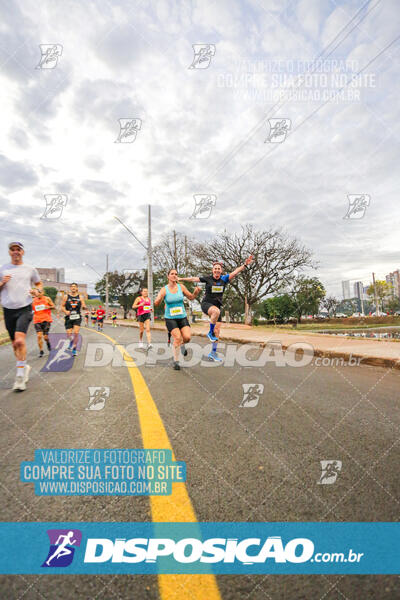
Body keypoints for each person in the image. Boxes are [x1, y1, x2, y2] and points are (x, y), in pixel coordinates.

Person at [179, 256, 253, 361]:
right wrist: (181, 279)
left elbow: (236, 272)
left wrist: (245, 265)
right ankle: (210, 332)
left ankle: (213, 353)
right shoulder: (208, 279)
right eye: (215, 269)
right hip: (206, 304)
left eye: (219, 269)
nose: (217, 270)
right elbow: (193, 279)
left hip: (217, 307)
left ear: (221, 271)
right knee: (215, 312)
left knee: (217, 331)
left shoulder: (224, 279)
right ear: (213, 270)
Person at [0, 242, 42, 391]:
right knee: (14, 345)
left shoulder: (30, 269)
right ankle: (24, 367)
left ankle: (19, 378)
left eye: (18, 249)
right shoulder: (3, 269)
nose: (16, 252)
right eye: (13, 249)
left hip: (25, 308)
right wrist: (2, 283)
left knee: (19, 340)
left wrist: (38, 292)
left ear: (23, 252)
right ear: (9, 252)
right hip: (8, 310)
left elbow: (39, 284)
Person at [154, 269, 201, 370]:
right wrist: (158, 300)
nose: (174, 275)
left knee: (187, 337)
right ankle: (176, 361)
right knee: (177, 338)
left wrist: (195, 293)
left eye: (176, 274)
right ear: (168, 276)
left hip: (182, 317)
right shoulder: (164, 289)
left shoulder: (181, 287)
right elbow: (156, 303)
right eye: (172, 274)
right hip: (170, 318)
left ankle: (183, 344)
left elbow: (191, 297)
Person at [61, 283, 86, 356]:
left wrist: (84, 307)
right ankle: (71, 342)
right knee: (69, 334)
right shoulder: (66, 297)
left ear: (77, 288)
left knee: (76, 333)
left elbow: (83, 304)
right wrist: (65, 311)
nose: (73, 288)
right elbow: (62, 306)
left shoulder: (80, 297)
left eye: (75, 287)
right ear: (70, 288)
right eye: (72, 287)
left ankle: (74, 349)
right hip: (69, 317)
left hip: (77, 317)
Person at [32, 288, 55, 357]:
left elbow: (54, 306)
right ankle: (41, 351)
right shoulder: (33, 300)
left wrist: (47, 307)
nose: (39, 293)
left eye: (40, 292)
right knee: (39, 336)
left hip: (46, 320)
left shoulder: (47, 299)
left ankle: (48, 343)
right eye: (37, 292)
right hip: (37, 320)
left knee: (45, 337)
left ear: (43, 292)